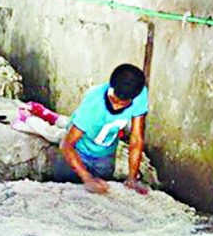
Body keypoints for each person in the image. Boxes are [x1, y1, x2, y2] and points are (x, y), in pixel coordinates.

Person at [54, 63, 150, 195]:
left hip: (105, 155)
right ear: (111, 87)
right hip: (78, 152)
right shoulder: (93, 104)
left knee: (101, 194)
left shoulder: (139, 95)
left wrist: (132, 177)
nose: (116, 108)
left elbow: (136, 138)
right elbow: (67, 144)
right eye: (114, 101)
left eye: (122, 105)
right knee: (63, 191)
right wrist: (87, 178)